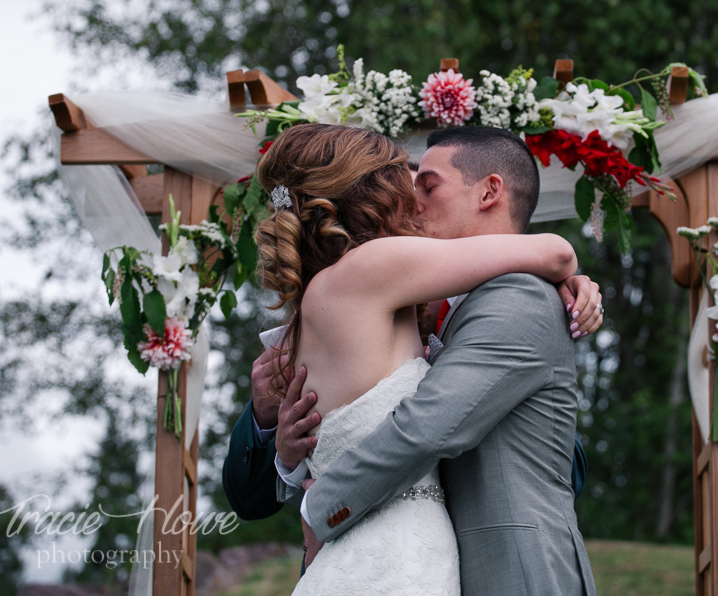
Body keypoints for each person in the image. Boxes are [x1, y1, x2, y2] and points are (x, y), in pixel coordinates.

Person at [287, 125, 596, 595]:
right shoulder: (423, 305)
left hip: (516, 573)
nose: (413, 202)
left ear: (491, 191)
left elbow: (429, 425)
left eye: (427, 185)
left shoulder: (520, 298)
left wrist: (322, 505)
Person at [221, 159, 601, 523]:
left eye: (428, 190)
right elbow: (249, 500)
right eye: (401, 196)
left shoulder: (506, 306)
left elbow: (566, 472)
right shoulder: (328, 311)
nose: (416, 207)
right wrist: (274, 438)